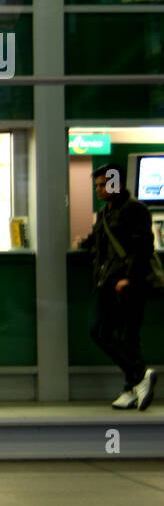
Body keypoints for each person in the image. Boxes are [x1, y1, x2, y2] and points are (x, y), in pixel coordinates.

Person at [78, 163, 155, 411]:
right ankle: (136, 380)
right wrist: (83, 243)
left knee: (117, 333)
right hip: (108, 283)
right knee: (107, 333)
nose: (98, 189)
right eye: (97, 185)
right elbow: (98, 242)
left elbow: (143, 248)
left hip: (127, 285)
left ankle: (136, 379)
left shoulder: (134, 210)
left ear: (117, 184)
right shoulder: (105, 213)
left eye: (103, 184)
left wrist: (130, 278)